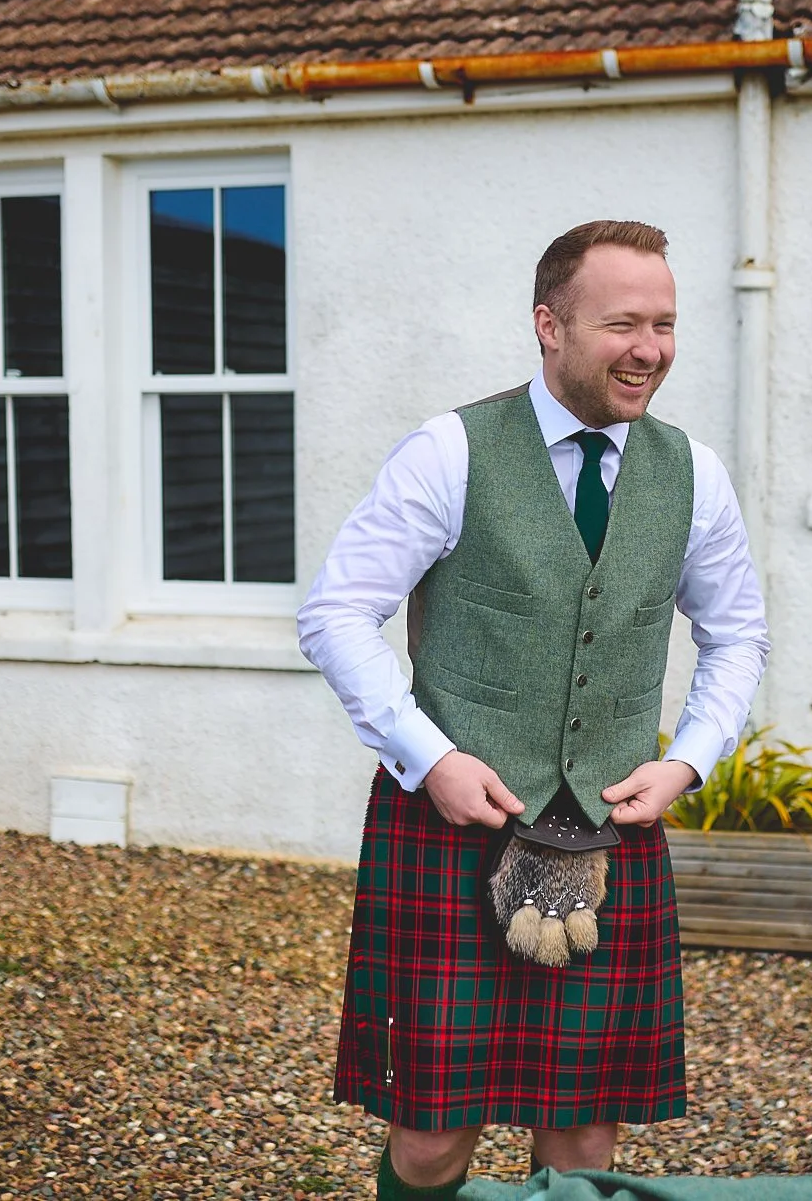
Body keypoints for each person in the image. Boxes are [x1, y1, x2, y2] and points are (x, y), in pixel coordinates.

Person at [299, 220, 768, 1199]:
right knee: (431, 1138)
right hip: (447, 823)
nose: (649, 350)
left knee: (583, 1135)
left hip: (606, 832)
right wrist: (426, 757)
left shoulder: (693, 476)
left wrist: (686, 760)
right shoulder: (448, 452)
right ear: (547, 325)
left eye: (666, 325)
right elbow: (338, 613)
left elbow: (737, 639)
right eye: (622, 324)